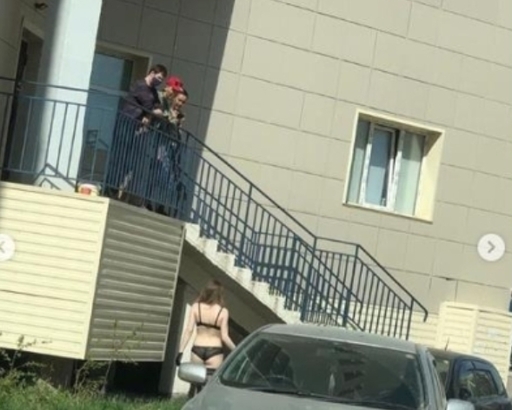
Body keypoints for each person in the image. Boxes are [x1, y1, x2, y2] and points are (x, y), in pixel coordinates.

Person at [105, 64, 168, 205]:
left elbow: (159, 107)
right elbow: (149, 106)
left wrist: (149, 116)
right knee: (119, 160)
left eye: (161, 80)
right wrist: (151, 113)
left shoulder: (153, 91)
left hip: (135, 129)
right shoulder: (140, 86)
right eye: (158, 77)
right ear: (152, 73)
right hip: (126, 124)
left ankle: (114, 190)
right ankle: (109, 191)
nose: (159, 81)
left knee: (127, 162)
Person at [175, 280, 236, 396]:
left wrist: (180, 351)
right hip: (215, 351)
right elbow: (225, 337)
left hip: (197, 349)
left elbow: (188, 330)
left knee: (194, 385)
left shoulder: (196, 307)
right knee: (210, 387)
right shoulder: (223, 312)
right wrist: (237, 350)